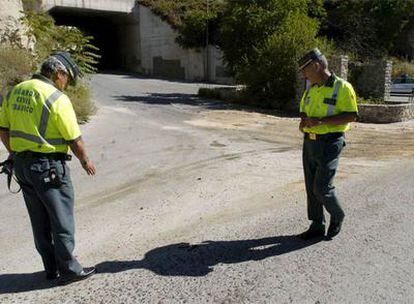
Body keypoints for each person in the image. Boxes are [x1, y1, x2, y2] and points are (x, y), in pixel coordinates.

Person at [0, 52, 97, 285]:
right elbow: (74, 138)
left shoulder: (15, 91)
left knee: (39, 219)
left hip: (22, 166)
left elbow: (3, 128)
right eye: (68, 79)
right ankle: (69, 270)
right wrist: (86, 161)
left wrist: (14, 153)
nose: (67, 85)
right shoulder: (56, 98)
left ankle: (51, 268)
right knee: (61, 218)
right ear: (58, 73)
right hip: (49, 167)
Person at [297, 48, 358, 240]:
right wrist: (303, 122)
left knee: (321, 187)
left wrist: (321, 122)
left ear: (316, 66)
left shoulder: (342, 87)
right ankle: (317, 224)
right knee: (311, 186)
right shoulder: (311, 89)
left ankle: (338, 215)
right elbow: (304, 112)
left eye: (305, 70)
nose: (303, 75)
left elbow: (352, 115)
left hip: (330, 142)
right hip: (310, 142)